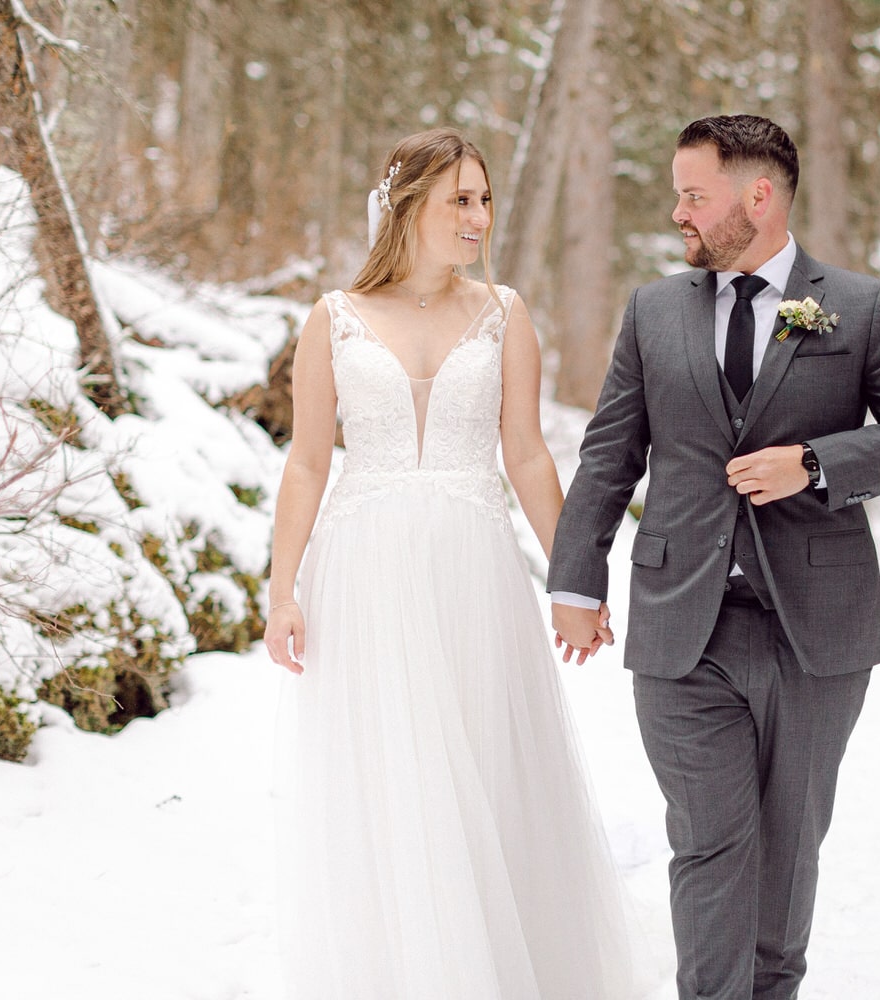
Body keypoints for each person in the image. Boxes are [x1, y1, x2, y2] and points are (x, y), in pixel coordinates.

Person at [548, 114, 880, 1000]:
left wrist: (814, 464)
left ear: (757, 197)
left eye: (694, 195)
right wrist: (576, 576)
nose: (678, 213)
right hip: (682, 629)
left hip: (815, 636)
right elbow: (611, 452)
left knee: (786, 850)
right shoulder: (654, 310)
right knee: (708, 845)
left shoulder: (861, 304)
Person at [263, 127, 638, 999]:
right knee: (391, 784)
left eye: (484, 198)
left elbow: (530, 456)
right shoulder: (333, 318)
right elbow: (308, 462)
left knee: (484, 772)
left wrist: (573, 578)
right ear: (409, 207)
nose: (479, 217)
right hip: (363, 576)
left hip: (474, 570)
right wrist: (283, 591)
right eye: (459, 200)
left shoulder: (504, 312)